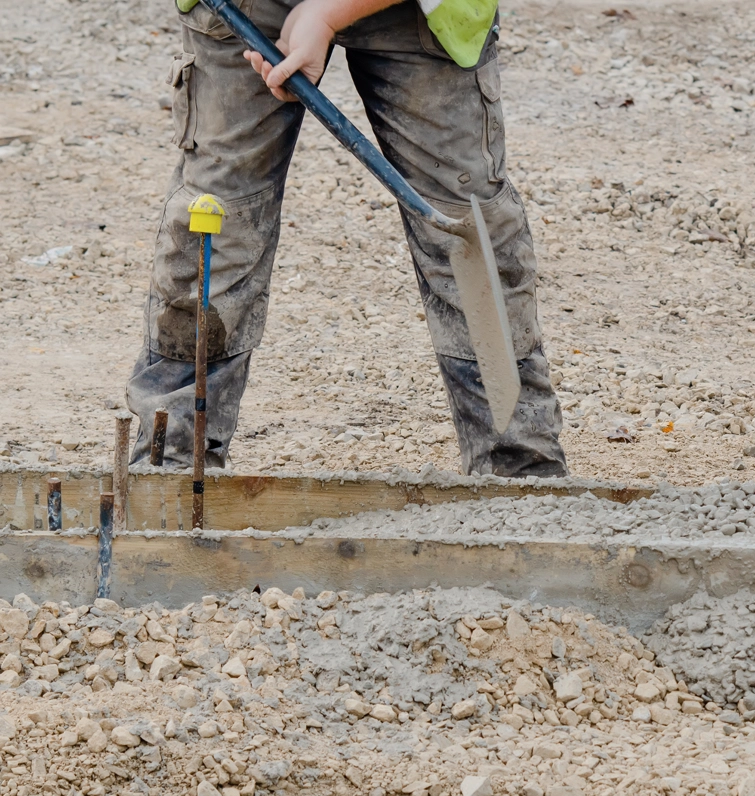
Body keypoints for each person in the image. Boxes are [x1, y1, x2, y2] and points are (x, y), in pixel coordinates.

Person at [125, 0, 566, 478]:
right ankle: (172, 465)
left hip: (425, 12)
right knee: (215, 219)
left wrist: (327, 14)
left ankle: (518, 472)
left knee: (464, 225)